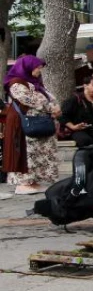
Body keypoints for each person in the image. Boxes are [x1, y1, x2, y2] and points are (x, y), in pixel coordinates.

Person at [2, 56, 61, 195]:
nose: (39, 70)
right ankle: (23, 183)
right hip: (24, 124)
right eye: (37, 67)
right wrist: (51, 108)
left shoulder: (35, 83)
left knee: (38, 153)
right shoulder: (16, 83)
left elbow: (48, 97)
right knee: (26, 152)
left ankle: (34, 181)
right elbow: (30, 99)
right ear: (27, 66)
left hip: (39, 123)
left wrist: (55, 107)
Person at [59, 75, 93, 147]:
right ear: (85, 86)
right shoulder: (75, 100)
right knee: (86, 141)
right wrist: (73, 127)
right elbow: (62, 116)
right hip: (80, 131)